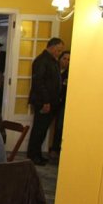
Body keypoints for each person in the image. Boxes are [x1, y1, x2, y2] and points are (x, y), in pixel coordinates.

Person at [27, 38, 65, 166]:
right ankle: (33, 155)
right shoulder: (42, 61)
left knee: (42, 130)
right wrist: (46, 102)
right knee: (39, 129)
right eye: (58, 50)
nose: (60, 53)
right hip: (43, 101)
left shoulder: (52, 61)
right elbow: (39, 83)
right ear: (52, 47)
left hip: (50, 101)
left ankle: (37, 154)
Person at [50, 50, 70, 158]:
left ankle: (55, 149)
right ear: (60, 59)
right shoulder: (54, 70)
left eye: (68, 59)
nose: (66, 61)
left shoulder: (70, 73)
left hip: (62, 103)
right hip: (51, 101)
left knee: (59, 126)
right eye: (64, 58)